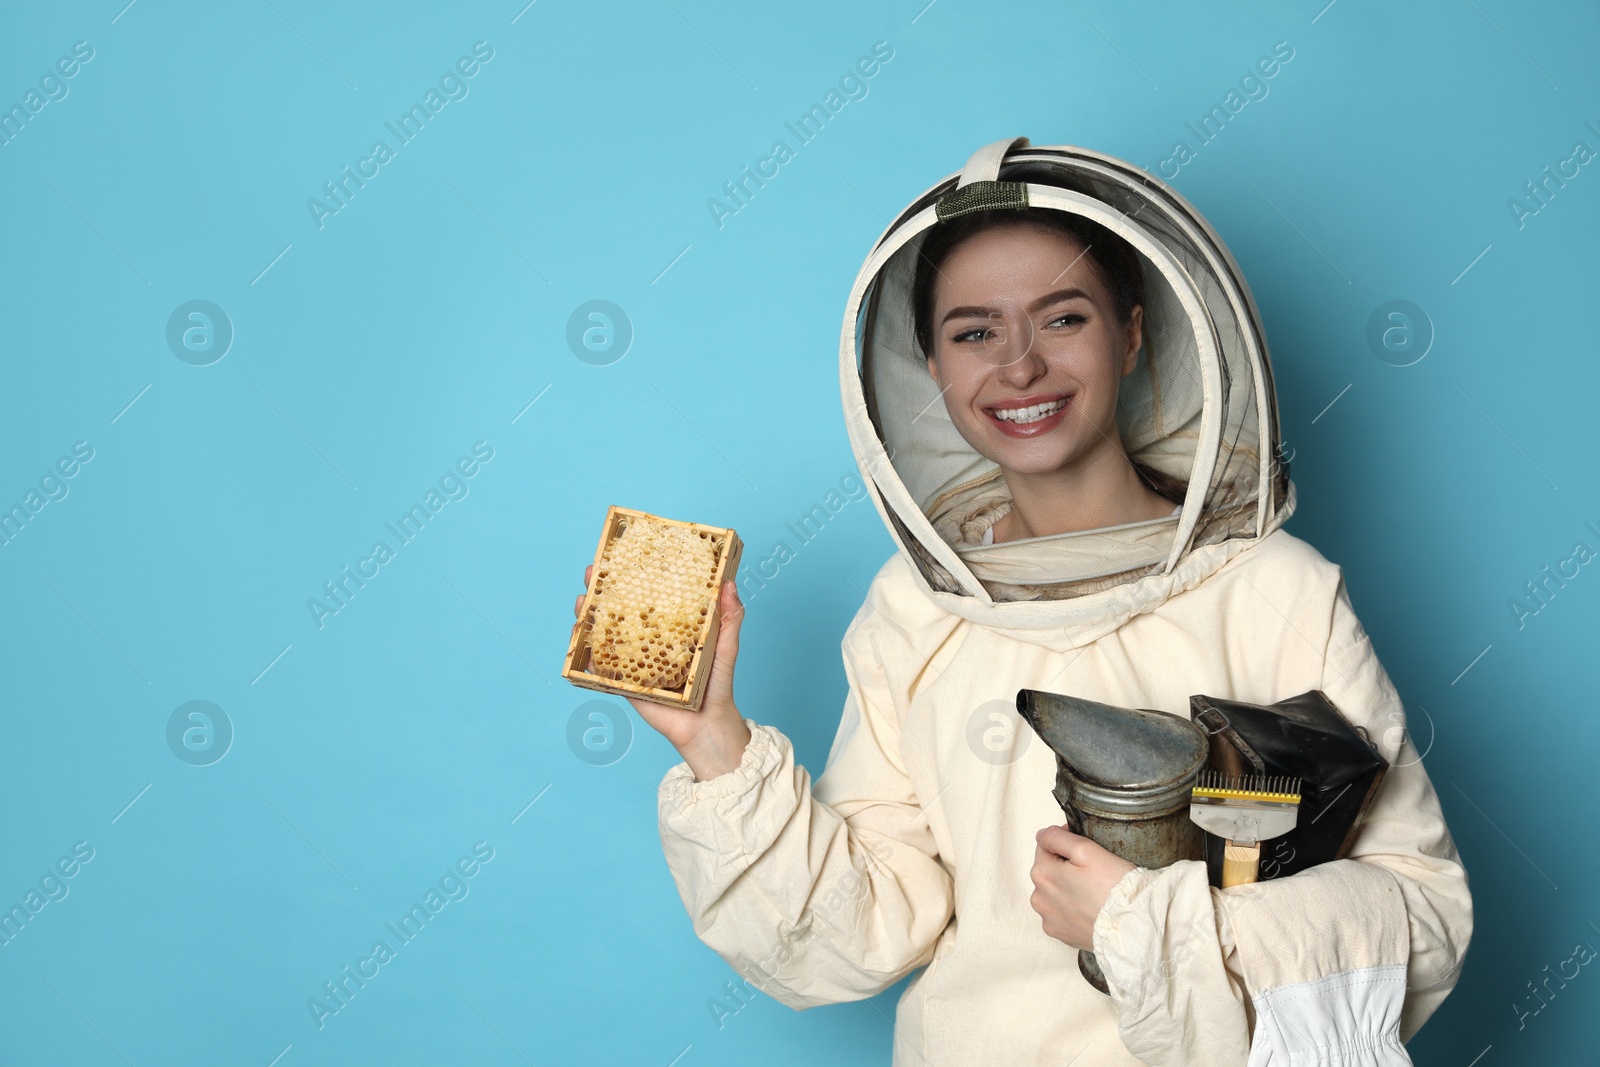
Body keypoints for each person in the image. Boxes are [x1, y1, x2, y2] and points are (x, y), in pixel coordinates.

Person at [574, 138, 1471, 1065]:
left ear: (1130, 333)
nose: (1020, 366)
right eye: (974, 332)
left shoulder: (1278, 588)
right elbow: (859, 934)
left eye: (1063, 318)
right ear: (930, 364)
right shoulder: (911, 610)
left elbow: (1422, 912)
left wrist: (1147, 923)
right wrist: (711, 738)